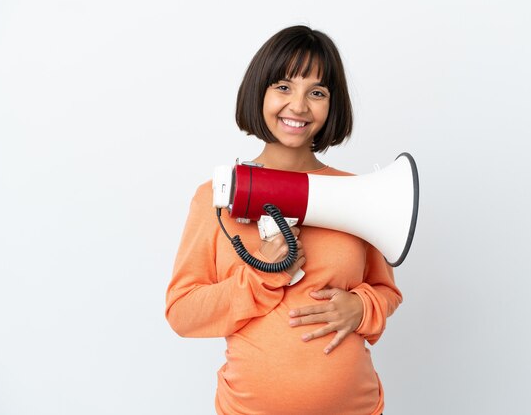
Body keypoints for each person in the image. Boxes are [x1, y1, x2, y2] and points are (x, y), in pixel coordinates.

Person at [165, 25, 402, 415]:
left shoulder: (361, 196)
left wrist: (361, 307)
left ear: (333, 105)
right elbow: (182, 313)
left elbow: (385, 291)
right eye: (283, 86)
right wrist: (262, 274)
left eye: (317, 92)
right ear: (259, 91)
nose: (299, 106)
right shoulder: (218, 197)